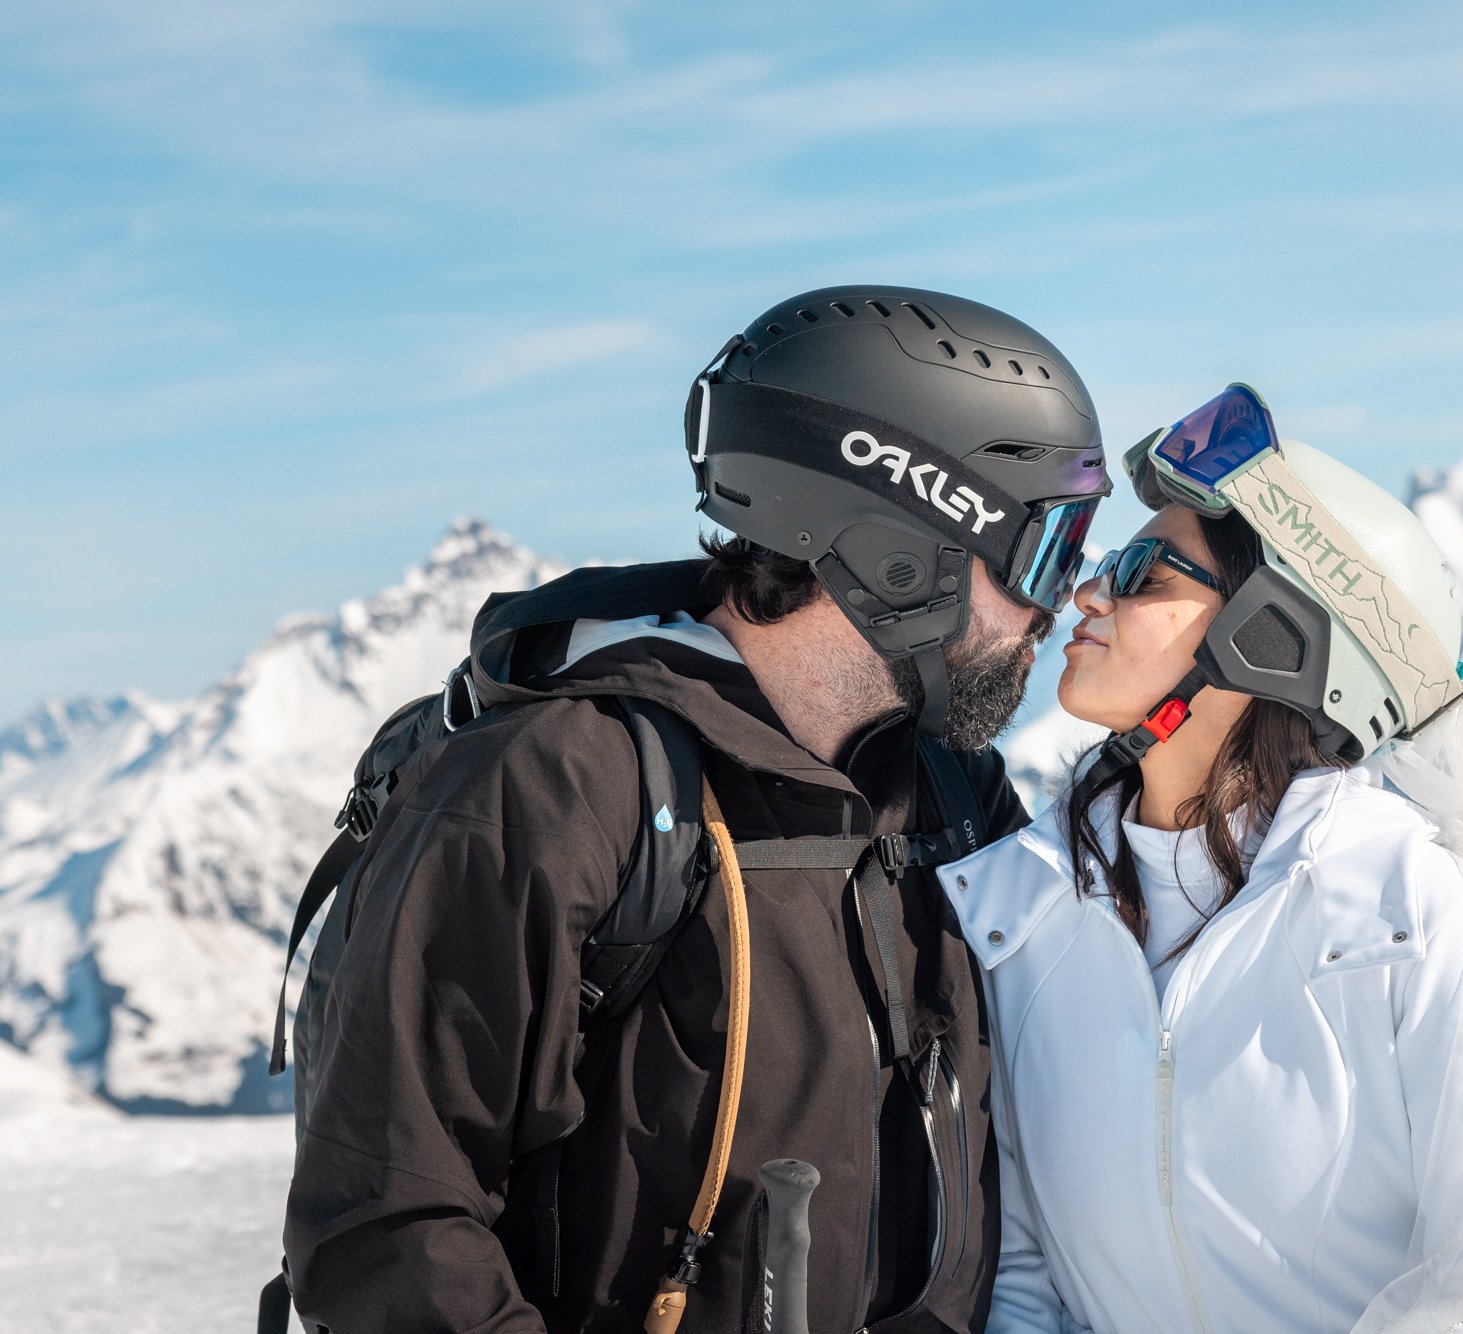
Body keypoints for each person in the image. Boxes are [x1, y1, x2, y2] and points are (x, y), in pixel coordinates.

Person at [280, 286, 1111, 1333]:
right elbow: (387, 1223)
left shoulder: (947, 799)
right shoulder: (556, 786)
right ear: (897, 551)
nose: (1062, 598)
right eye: (1044, 547)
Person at [945, 385, 1463, 1332]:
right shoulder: (1017, 909)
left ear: (1270, 638)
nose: (1087, 593)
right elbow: (1022, 1271)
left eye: (1143, 571)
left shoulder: (1406, 909)